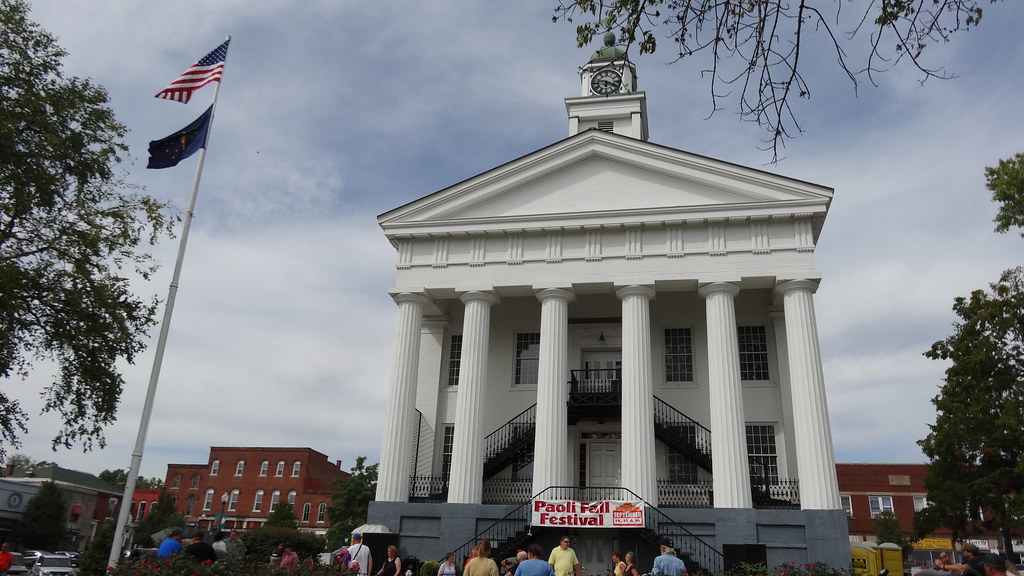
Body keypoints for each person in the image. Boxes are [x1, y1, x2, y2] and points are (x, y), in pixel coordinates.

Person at [917, 544, 985, 576]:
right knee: (923, 573)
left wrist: (942, 566)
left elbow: (961, 567)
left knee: (924, 573)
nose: (962, 553)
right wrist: (947, 562)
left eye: (963, 551)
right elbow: (958, 566)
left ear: (969, 552)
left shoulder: (977, 560)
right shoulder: (969, 561)